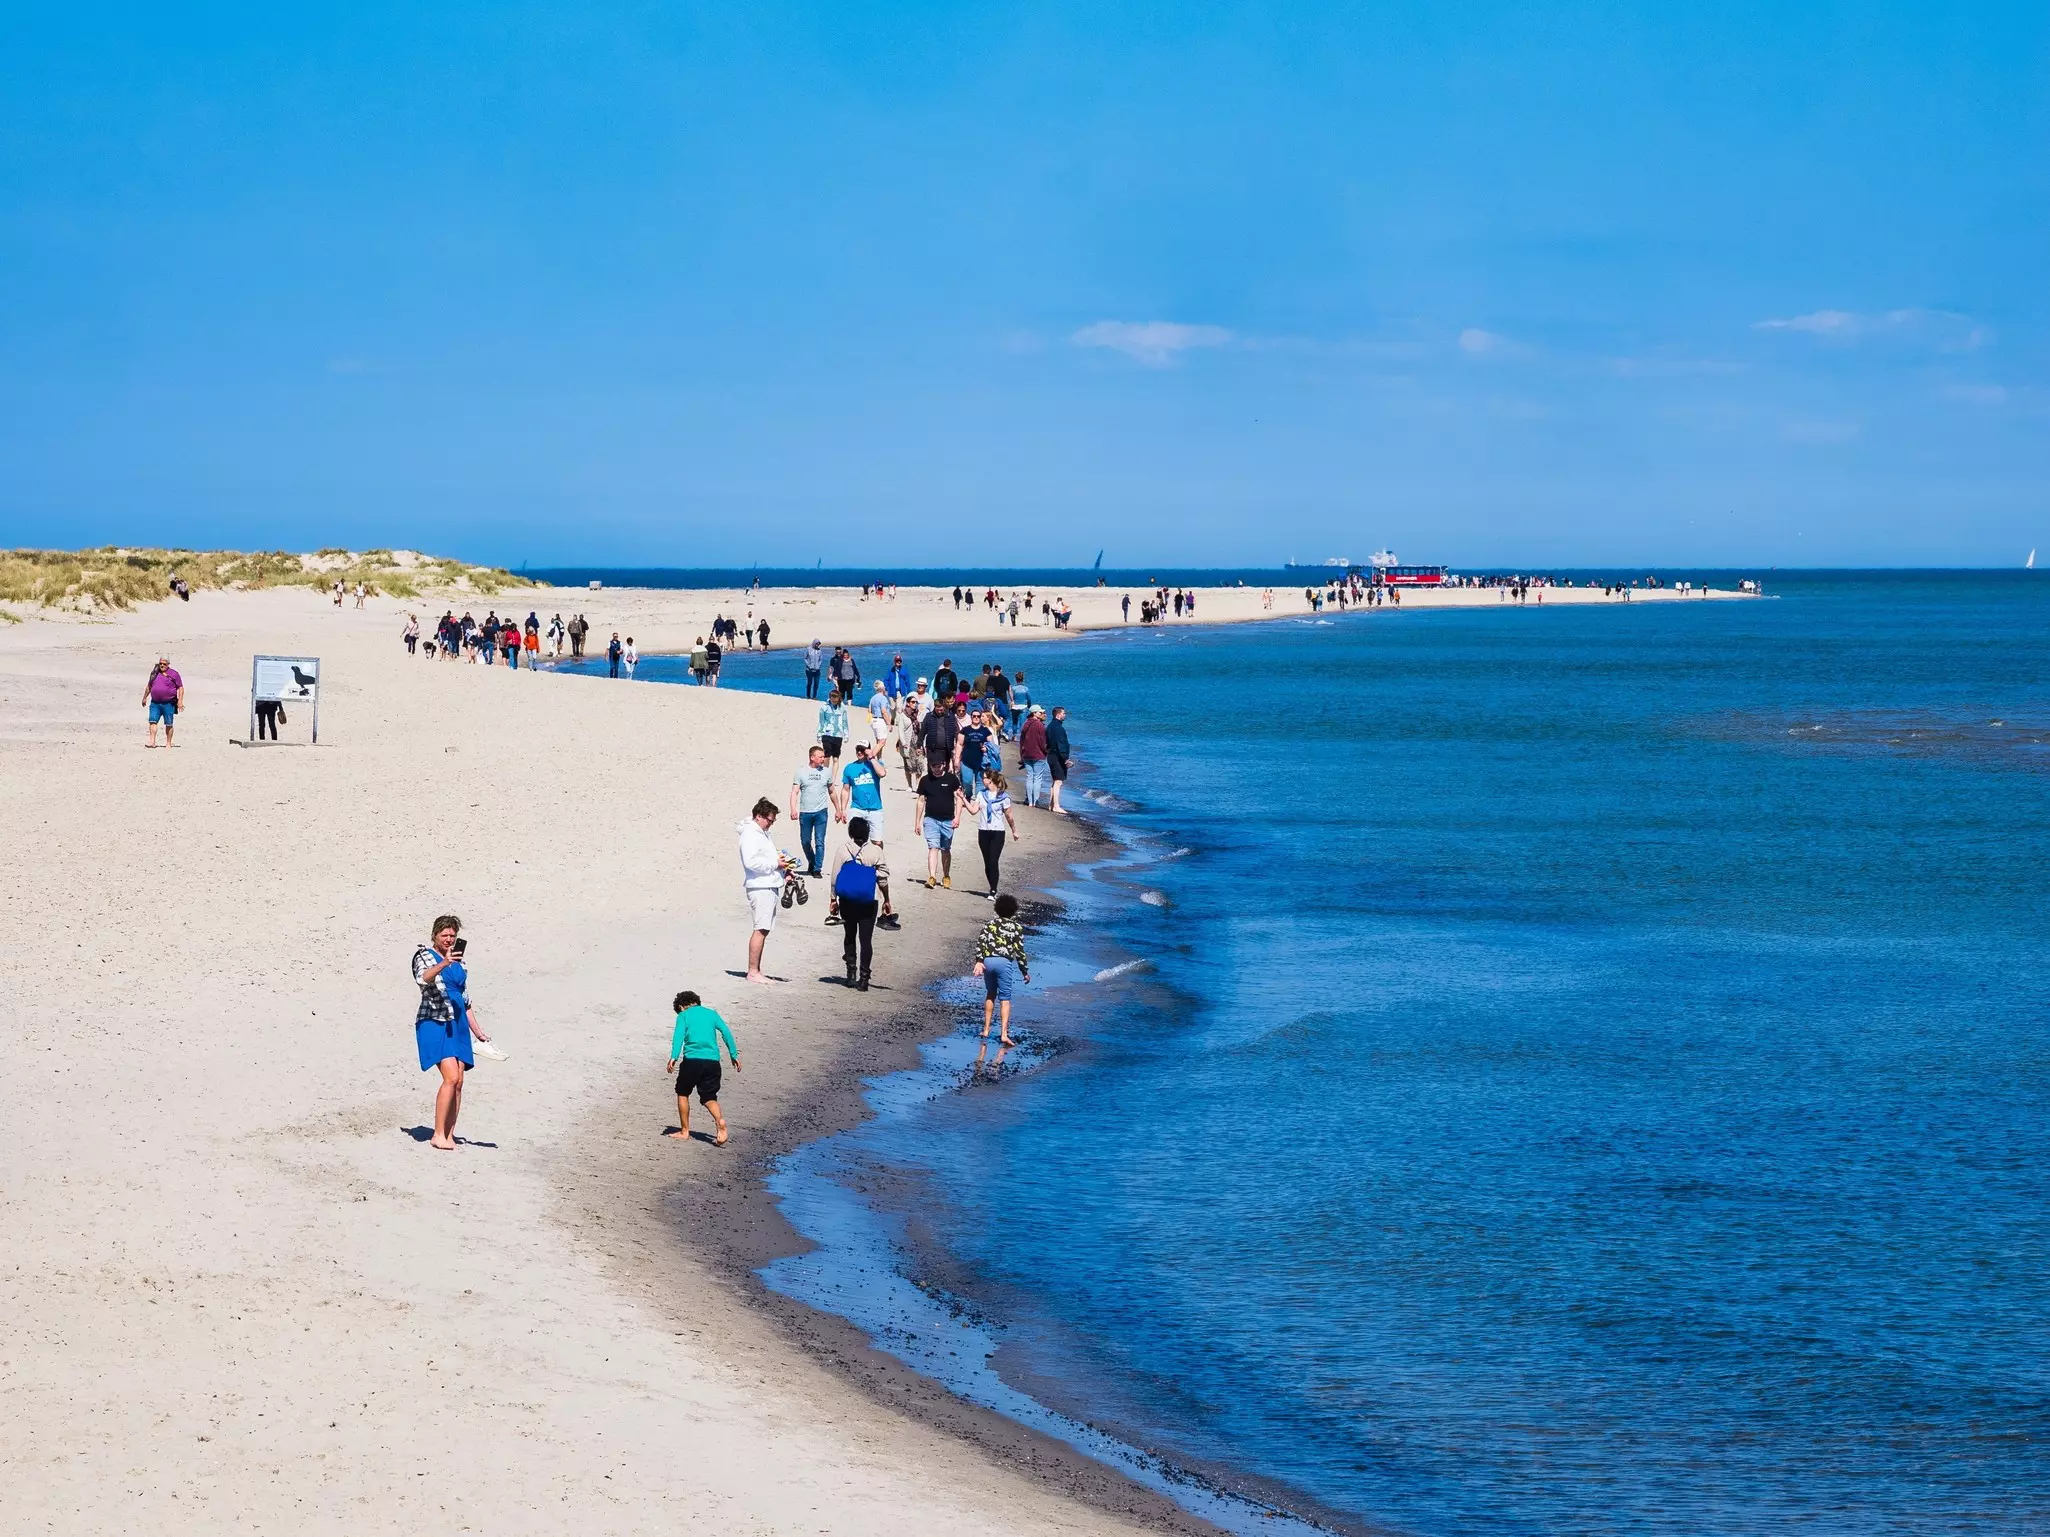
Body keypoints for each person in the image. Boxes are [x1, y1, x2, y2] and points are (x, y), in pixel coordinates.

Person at [410, 915, 502, 1152]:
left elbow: (465, 999)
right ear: (435, 936)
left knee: (459, 1082)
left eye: (452, 935)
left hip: (458, 1023)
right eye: (445, 935)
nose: (449, 940)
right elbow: (423, 979)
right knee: (450, 1077)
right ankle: (437, 1134)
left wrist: (478, 1033)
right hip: (435, 1020)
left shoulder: (461, 962)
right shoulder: (424, 956)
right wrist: (444, 963)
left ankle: (449, 1135)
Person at [667, 990, 740, 1145]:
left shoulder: (683, 1016)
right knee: (709, 1097)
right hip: (712, 1062)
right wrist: (734, 1055)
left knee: (682, 1093)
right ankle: (720, 1121)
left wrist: (673, 1057)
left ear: (681, 1007)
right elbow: (726, 1032)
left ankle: (684, 1131)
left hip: (692, 1061)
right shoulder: (712, 1014)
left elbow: (678, 1037)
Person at [738, 798, 792, 984]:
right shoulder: (750, 834)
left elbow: (764, 857)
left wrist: (782, 869)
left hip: (767, 884)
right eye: (769, 820)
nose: (771, 824)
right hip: (760, 886)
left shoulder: (760, 833)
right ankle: (753, 972)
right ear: (759, 816)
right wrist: (775, 864)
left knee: (764, 928)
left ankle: (756, 970)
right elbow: (750, 862)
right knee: (760, 929)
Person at [831, 817, 885, 990]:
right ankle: (864, 979)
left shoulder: (843, 849)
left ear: (851, 832)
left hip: (847, 900)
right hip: (869, 900)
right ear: (868, 834)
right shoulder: (876, 851)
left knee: (849, 935)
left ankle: (851, 973)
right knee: (866, 940)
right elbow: (883, 879)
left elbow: (834, 877)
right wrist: (887, 900)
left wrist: (833, 899)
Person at [972, 894, 1030, 1048]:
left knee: (990, 994)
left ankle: (986, 1029)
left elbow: (981, 943)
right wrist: (1024, 971)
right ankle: (1004, 1034)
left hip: (989, 961)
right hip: (1004, 963)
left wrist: (979, 960)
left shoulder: (990, 924)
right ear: (1014, 911)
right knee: (1005, 999)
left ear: (996, 909)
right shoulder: (1016, 928)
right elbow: (1019, 952)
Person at [970, 768, 1020, 896]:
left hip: (997, 832)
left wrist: (1014, 831)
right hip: (983, 831)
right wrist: (962, 798)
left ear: (991, 780)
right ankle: (991, 885)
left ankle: (993, 890)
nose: (983, 779)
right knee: (987, 862)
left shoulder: (1003, 797)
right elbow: (973, 810)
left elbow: (1009, 816)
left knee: (993, 860)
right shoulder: (981, 794)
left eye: (984, 777)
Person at [917, 760, 965, 889]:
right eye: (933, 766)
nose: (936, 769)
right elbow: (921, 801)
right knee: (933, 847)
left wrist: (958, 817)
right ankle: (932, 877)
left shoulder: (952, 779)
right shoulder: (925, 780)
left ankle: (946, 876)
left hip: (948, 820)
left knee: (945, 849)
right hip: (930, 819)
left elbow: (959, 798)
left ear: (943, 765)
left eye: (938, 765)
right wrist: (917, 821)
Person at [790, 745, 835, 877]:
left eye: (823, 756)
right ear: (812, 757)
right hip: (805, 812)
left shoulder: (827, 772)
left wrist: (839, 809)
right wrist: (793, 808)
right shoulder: (801, 772)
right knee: (805, 841)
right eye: (820, 757)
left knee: (819, 841)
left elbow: (832, 792)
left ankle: (817, 868)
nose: (823, 759)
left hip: (821, 811)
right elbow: (795, 791)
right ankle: (812, 860)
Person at [142, 657, 184, 747]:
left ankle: (168, 743)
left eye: (164, 664)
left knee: (169, 723)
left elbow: (180, 687)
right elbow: (149, 686)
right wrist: (144, 697)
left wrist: (180, 701)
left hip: (168, 703)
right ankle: (152, 742)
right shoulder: (155, 673)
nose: (162, 665)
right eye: (160, 663)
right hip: (155, 703)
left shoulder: (174, 674)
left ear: (168, 664)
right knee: (152, 721)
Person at [1018, 705, 1051, 808]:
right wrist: (1046, 751)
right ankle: (1035, 800)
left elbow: (1022, 741)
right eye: (1040, 713)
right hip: (1038, 754)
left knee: (1029, 777)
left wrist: (1022, 755)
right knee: (1037, 778)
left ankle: (1030, 801)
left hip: (1027, 754)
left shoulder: (1026, 724)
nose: (1042, 714)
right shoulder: (1039, 725)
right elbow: (1042, 741)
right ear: (1035, 713)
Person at [1046, 706, 1072, 815]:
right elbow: (1060, 744)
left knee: (1055, 780)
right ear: (1058, 715)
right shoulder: (1058, 728)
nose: (1065, 715)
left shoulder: (1050, 726)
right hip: (1057, 757)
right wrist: (1066, 758)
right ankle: (1056, 806)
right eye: (1063, 713)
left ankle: (1051, 805)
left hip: (1051, 755)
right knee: (1058, 781)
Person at [817, 688, 848, 763]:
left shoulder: (842, 707)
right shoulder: (824, 707)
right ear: (830, 698)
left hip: (838, 734)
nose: (834, 701)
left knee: (835, 758)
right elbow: (821, 722)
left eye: (836, 700)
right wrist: (819, 734)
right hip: (826, 733)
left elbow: (844, 722)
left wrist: (846, 735)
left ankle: (833, 775)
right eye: (832, 699)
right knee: (827, 755)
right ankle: (826, 773)